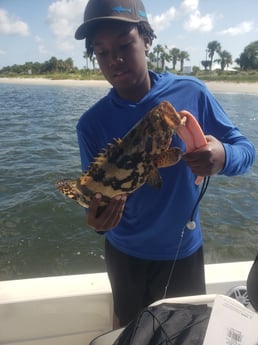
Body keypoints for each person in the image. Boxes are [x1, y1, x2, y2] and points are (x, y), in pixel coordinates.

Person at [74, 0, 255, 328]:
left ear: (146, 39)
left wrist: (222, 157)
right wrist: (97, 221)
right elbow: (95, 192)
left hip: (183, 250)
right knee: (130, 329)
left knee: (185, 332)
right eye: (102, 52)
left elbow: (246, 150)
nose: (114, 59)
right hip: (124, 255)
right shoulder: (90, 124)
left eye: (125, 45)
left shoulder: (192, 92)